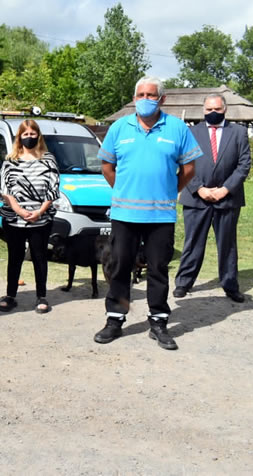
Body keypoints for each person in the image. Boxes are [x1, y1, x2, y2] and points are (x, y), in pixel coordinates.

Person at [94, 76, 202, 350]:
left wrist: (169, 192)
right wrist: (123, 190)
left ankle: (158, 322)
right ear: (133, 99)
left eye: (151, 95)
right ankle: (115, 319)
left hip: (160, 216)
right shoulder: (119, 128)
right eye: (140, 94)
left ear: (162, 99)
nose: (145, 99)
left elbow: (189, 169)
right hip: (124, 214)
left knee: (158, 269)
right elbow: (107, 166)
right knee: (118, 267)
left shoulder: (177, 128)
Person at [174, 94, 251, 303]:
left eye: (217, 109)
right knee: (193, 242)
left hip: (227, 198)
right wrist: (199, 188)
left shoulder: (239, 132)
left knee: (227, 244)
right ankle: (183, 283)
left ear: (225, 109)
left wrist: (225, 189)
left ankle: (230, 284)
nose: (213, 113)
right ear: (203, 110)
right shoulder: (191, 132)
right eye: (209, 109)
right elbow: (183, 163)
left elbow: (244, 165)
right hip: (196, 198)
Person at [0, 120, 60, 313]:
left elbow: (54, 189)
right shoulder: (10, 160)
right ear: (19, 137)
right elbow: (4, 189)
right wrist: (19, 210)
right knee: (14, 257)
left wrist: (39, 212)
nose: (29, 137)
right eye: (26, 134)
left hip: (41, 219)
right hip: (14, 218)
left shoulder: (49, 159)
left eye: (33, 134)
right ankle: (10, 295)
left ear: (38, 135)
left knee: (40, 257)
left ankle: (42, 296)